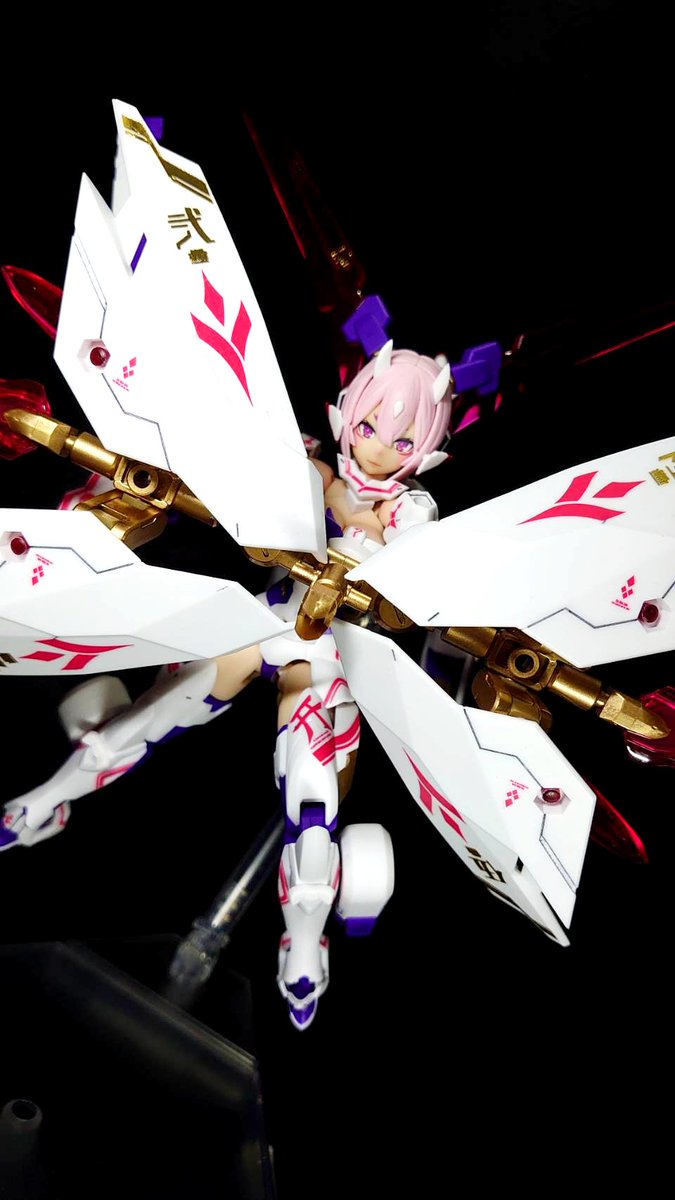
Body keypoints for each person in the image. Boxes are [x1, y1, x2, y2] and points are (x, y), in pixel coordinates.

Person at [0, 342, 453, 1029]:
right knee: (149, 714)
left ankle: (305, 943)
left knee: (311, 810)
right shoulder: (309, 460)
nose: (378, 447)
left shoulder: (413, 507)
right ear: (346, 414)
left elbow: (410, 568)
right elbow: (279, 481)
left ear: (427, 448)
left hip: (327, 651)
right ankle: (45, 803)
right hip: (264, 621)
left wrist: (362, 526)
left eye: (402, 439)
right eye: (368, 426)